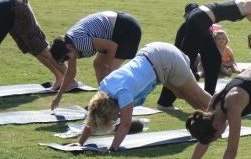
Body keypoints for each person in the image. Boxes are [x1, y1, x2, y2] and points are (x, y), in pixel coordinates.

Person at [77, 42, 210, 152]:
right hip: (153, 55)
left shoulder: (123, 94)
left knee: (195, 95)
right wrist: (80, 143)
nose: (114, 119)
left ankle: (221, 117)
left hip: (164, 58)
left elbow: (125, 124)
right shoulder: (103, 91)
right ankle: (211, 121)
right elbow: (92, 117)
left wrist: (113, 148)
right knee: (182, 94)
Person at [49, 10, 142, 110]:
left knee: (109, 74)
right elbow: (71, 73)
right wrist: (58, 96)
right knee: (98, 65)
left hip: (127, 29)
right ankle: (104, 101)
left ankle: (109, 105)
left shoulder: (79, 42)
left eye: (67, 57)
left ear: (68, 46)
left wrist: (109, 67)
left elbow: (112, 46)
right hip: (118, 25)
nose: (69, 59)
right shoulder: (70, 44)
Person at [0, 0, 70, 90]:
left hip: (16, 7)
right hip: (10, 13)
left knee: (42, 49)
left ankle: (70, 80)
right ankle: (60, 77)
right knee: (32, 49)